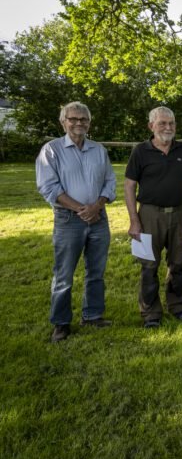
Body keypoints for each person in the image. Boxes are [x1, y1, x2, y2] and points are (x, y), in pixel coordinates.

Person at [36, 102, 116, 343]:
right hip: (68, 219)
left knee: (96, 272)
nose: (79, 123)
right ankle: (61, 323)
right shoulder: (51, 150)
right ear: (63, 122)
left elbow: (110, 182)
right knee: (64, 274)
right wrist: (81, 209)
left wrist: (96, 206)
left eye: (84, 119)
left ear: (89, 123)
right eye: (74, 119)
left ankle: (92, 315)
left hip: (99, 218)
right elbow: (49, 187)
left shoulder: (98, 150)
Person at [125, 106, 182, 328]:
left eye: (171, 123)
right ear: (151, 126)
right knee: (149, 265)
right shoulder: (140, 151)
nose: (168, 127)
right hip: (149, 215)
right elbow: (129, 186)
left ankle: (176, 306)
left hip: (179, 214)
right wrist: (134, 220)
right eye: (162, 123)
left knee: (177, 264)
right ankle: (150, 313)